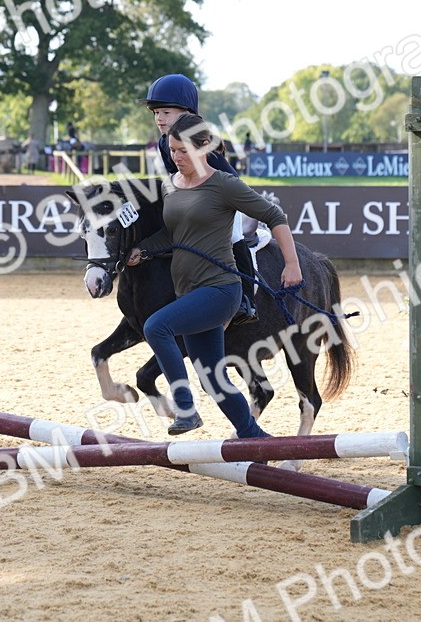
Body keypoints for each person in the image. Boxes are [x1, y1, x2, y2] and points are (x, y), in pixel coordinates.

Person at [126, 112, 302, 437]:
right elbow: (173, 234)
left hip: (220, 290)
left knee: (157, 326)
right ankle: (254, 437)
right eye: (173, 149)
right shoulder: (172, 185)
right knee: (213, 378)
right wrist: (144, 249)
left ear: (205, 146)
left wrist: (292, 265)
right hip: (188, 293)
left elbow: (274, 214)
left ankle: (184, 407)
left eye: (184, 150)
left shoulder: (224, 185)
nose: (177, 157)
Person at [139, 73, 260, 326]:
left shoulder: (198, 139)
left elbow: (229, 178)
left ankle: (247, 301)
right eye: (156, 113)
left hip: (225, 199)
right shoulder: (165, 142)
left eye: (166, 112)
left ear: (187, 113)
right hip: (194, 197)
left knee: (235, 237)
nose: (159, 118)